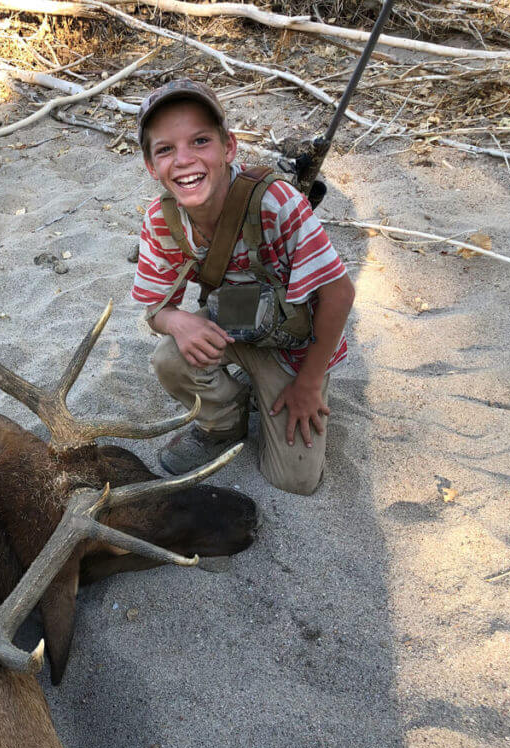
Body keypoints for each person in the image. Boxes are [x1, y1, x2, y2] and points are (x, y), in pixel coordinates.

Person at [130, 79, 355, 496]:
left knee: (294, 480)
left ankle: (268, 387)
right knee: (169, 358)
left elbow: (339, 294)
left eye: (200, 141)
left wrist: (307, 383)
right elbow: (156, 308)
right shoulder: (160, 220)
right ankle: (224, 421)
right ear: (150, 166)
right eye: (165, 149)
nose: (183, 160)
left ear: (228, 147)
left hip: (296, 343)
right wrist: (177, 321)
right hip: (234, 319)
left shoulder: (277, 201)